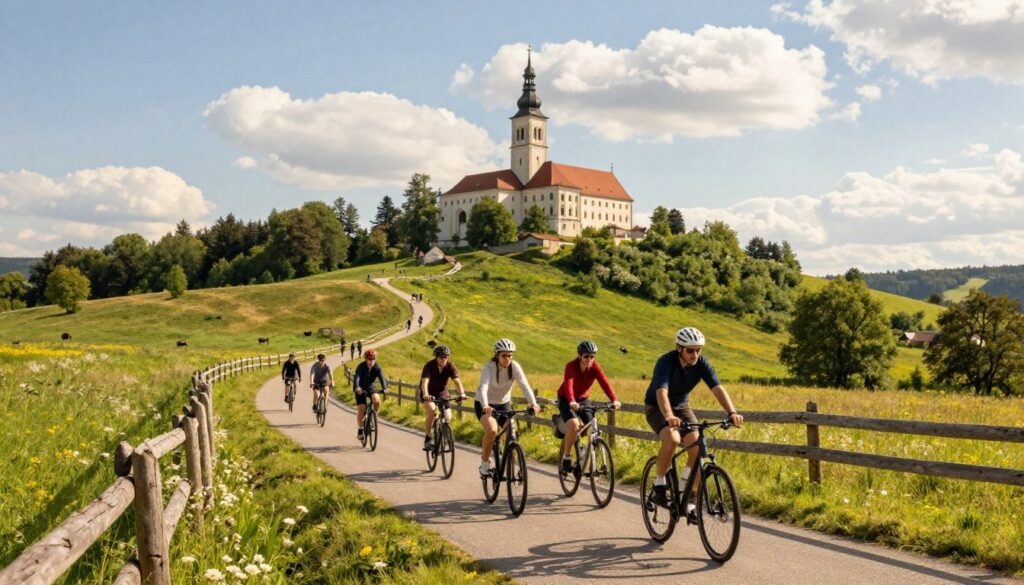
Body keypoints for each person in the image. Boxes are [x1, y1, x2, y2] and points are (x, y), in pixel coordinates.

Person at [644, 327, 743, 518]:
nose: (695, 354)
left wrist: (732, 412)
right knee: (672, 439)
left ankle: (686, 493)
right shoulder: (666, 362)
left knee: (697, 447)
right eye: (690, 350)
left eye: (698, 349)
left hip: (681, 406)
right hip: (657, 407)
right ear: (679, 348)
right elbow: (661, 392)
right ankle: (659, 483)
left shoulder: (701, 363)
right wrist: (669, 416)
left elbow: (717, 388)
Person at [475, 338, 541, 477]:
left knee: (511, 436)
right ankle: (485, 463)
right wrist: (486, 405)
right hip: (485, 403)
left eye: (510, 355)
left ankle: (511, 472)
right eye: (504, 355)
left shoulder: (515, 367)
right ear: (497, 355)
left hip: (504, 404)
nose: (507, 358)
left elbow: (524, 384)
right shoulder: (489, 367)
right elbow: (483, 386)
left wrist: (533, 403)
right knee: (492, 430)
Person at [557, 341, 621, 473]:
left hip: (583, 399)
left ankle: (589, 462)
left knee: (594, 429)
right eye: (586, 356)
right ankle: (567, 457)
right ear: (580, 356)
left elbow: (605, 383)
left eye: (592, 357)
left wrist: (614, 399)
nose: (589, 360)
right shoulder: (571, 366)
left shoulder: (595, 367)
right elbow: (568, 385)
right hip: (566, 399)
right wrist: (572, 401)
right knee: (574, 426)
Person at [419, 345, 467, 451]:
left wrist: (462, 394)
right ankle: (427, 437)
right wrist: (426, 394)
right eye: (442, 357)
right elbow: (425, 382)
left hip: (442, 393)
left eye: (446, 357)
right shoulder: (429, 366)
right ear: (436, 357)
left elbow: (457, 381)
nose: (444, 359)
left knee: (447, 416)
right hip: (428, 392)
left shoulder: (450, 366)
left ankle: (445, 434)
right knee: (432, 411)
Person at [353, 349, 388, 442]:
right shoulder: (361, 367)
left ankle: (374, 416)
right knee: (362, 408)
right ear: (366, 359)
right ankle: (360, 430)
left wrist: (384, 389)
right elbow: (357, 377)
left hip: (371, 388)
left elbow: (382, 378)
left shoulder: (377, 367)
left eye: (373, 359)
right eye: (369, 359)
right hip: (360, 388)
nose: (371, 361)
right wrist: (357, 387)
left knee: (377, 400)